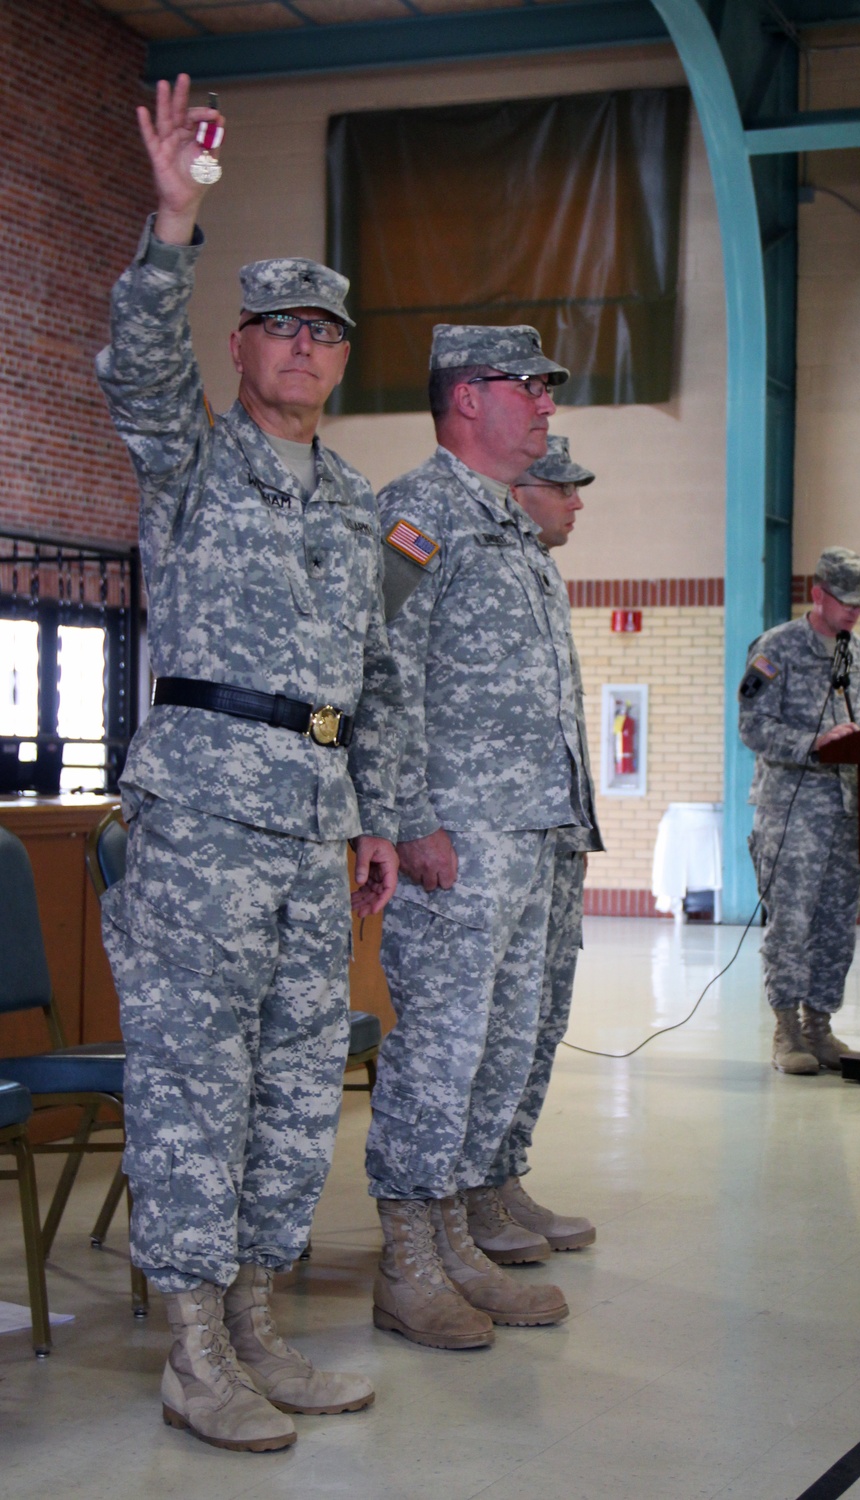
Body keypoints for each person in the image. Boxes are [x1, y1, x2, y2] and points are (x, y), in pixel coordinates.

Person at [95, 76, 403, 1452]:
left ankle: (264, 1325)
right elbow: (138, 369)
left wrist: (375, 818)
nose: (300, 348)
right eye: (277, 328)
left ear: (342, 359)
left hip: (313, 825)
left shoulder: (354, 501)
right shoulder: (191, 461)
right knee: (188, 1085)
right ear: (242, 346)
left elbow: (372, 679)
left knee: (294, 1084)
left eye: (321, 333)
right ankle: (193, 1350)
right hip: (203, 819)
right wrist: (174, 221)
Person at [366, 327, 596, 1350]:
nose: (546, 404)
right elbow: (378, 668)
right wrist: (407, 817)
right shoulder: (418, 515)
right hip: (455, 838)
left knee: (500, 1046)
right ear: (467, 399)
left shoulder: (509, 529)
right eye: (529, 386)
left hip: (529, 831)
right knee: (443, 1051)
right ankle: (409, 1259)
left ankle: (459, 1231)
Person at [466, 434, 603, 1260]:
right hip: (486, 830)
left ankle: (501, 1175)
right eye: (566, 488)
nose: (577, 503)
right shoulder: (443, 534)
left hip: (551, 830)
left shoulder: (539, 572)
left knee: (537, 1021)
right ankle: (464, 1196)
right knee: (488, 1026)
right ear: (524, 491)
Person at [738, 547, 860, 1075]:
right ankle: (786, 1032)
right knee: (793, 921)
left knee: (835, 922)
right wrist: (817, 741)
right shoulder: (775, 650)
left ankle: (820, 1027)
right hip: (793, 812)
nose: (854, 612)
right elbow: (752, 727)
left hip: (849, 811)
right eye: (846, 601)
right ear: (819, 593)